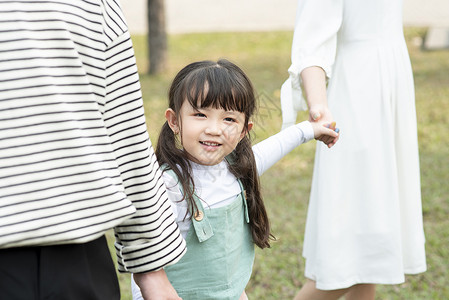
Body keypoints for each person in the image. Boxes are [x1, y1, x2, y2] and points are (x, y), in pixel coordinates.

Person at [0, 1, 186, 299]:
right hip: (67, 265)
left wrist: (153, 270)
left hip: (69, 259)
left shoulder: (94, 6)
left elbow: (125, 135)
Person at [131, 59, 339, 300]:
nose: (214, 129)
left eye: (228, 119)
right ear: (175, 120)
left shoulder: (239, 170)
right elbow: (146, 260)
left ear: (243, 130)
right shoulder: (168, 186)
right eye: (200, 114)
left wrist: (309, 130)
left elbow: (273, 147)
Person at [280, 0, 427, 299]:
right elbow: (312, 42)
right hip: (359, 98)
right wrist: (318, 104)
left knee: (366, 254)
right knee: (350, 254)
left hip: (388, 87)